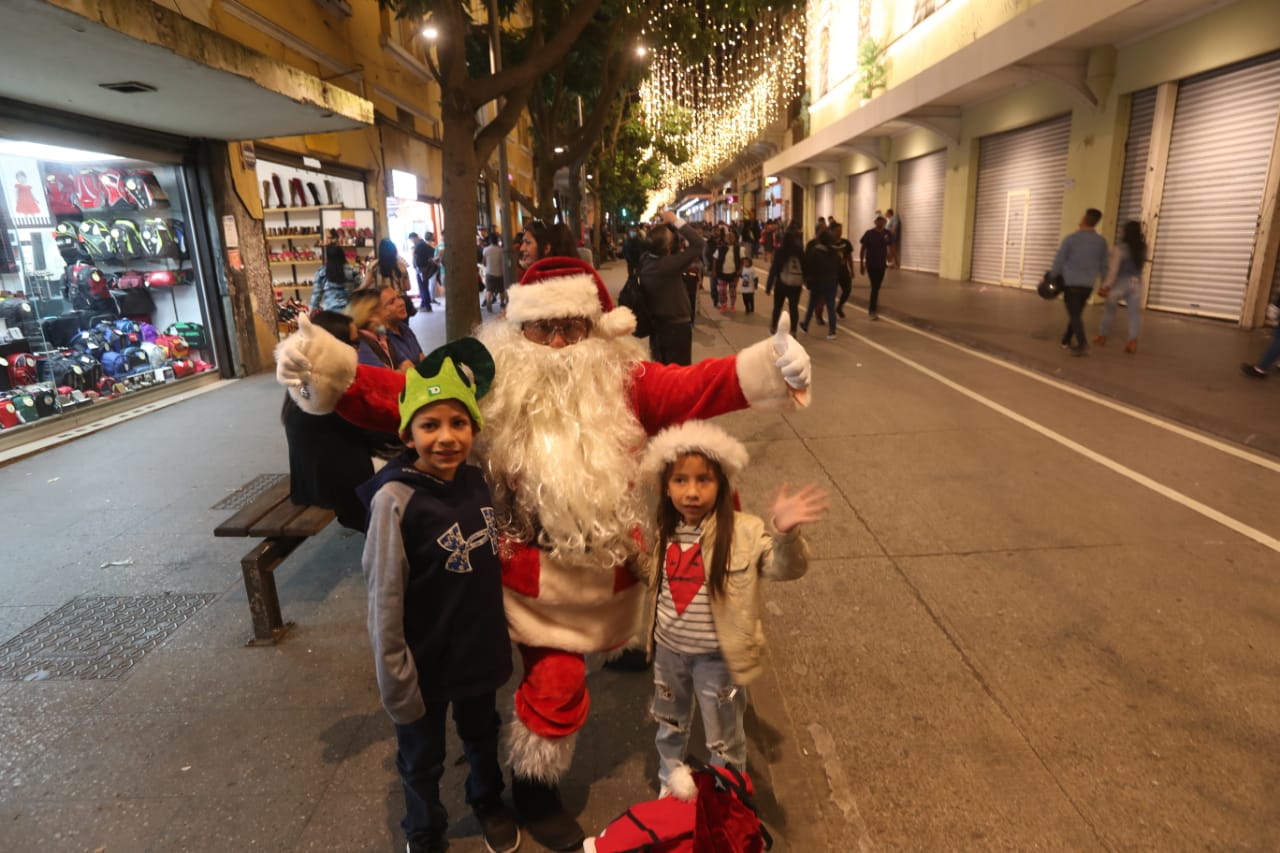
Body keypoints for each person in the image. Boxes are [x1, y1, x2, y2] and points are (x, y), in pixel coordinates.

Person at [275, 256, 812, 851]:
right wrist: (332, 372)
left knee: (634, 644)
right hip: (526, 578)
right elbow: (403, 396)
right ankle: (533, 788)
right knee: (554, 685)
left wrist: (767, 365)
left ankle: (619, 671)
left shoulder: (624, 380)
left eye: (571, 328)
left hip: (614, 575)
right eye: (541, 329)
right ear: (516, 332)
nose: (557, 343)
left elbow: (698, 384)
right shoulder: (495, 383)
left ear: (595, 329)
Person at [358, 338, 520, 853]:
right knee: (421, 756)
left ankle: (487, 799)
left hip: (476, 650)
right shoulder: (395, 500)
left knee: (481, 733)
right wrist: (394, 676)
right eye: (430, 425)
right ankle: (424, 829)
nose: (446, 438)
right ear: (408, 434)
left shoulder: (477, 483)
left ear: (474, 428)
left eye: (459, 423)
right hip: (423, 663)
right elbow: (384, 597)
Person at [637, 420, 828, 795]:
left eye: (703, 480)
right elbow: (656, 578)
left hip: (717, 661)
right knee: (669, 724)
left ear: (722, 483)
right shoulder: (666, 529)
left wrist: (785, 535)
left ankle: (727, 795)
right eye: (680, 480)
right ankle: (669, 782)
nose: (691, 492)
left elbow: (785, 568)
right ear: (666, 486)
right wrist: (625, 551)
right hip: (668, 655)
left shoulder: (744, 531)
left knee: (723, 735)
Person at [280, 310, 377, 532]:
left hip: (310, 483)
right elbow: (373, 430)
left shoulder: (307, 377)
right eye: (352, 343)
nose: (358, 349)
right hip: (334, 490)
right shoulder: (328, 386)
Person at [640, 210, 707, 365]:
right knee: (679, 374)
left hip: (656, 327)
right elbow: (698, 243)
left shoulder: (645, 261)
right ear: (667, 248)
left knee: (662, 371)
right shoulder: (668, 266)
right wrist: (676, 221)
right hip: (676, 328)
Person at [1051, 208, 1110, 355]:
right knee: (1075, 313)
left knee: (1075, 315)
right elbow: (1104, 265)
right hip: (1087, 286)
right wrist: (1104, 284)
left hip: (1071, 284)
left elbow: (1059, 260)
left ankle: (1083, 344)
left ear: (1084, 219)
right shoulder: (1101, 242)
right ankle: (1066, 339)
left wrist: (1052, 277)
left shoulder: (1071, 239)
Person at [1093, 221, 1147, 354]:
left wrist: (1105, 286)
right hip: (1137, 283)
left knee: (1109, 310)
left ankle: (1102, 336)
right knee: (1134, 314)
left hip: (1122, 283)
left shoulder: (1120, 248)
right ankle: (1132, 341)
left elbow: (1113, 270)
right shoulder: (1143, 247)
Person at [800, 229, 841, 340]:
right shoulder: (834, 252)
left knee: (812, 304)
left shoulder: (815, 251)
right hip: (831, 281)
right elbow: (838, 266)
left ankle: (805, 326)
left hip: (818, 282)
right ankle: (832, 331)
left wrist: (807, 280)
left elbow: (810, 266)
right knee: (831, 307)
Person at [767, 226, 806, 336]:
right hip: (796, 285)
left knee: (777, 307)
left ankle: (774, 327)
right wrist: (807, 281)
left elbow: (774, 269)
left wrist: (769, 286)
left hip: (781, 284)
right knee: (794, 308)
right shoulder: (799, 251)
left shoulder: (780, 251)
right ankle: (793, 330)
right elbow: (805, 266)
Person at [377, 284, 424, 370]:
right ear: (378, 311)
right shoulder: (380, 336)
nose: (401, 303)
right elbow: (406, 368)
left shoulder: (404, 328)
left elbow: (422, 358)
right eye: (391, 302)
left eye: (398, 297)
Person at [365, 238, 415, 318]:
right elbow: (408, 287)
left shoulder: (373, 266)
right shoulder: (401, 266)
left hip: (383, 302)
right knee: (402, 327)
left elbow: (366, 284)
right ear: (394, 251)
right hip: (399, 300)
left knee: (385, 327)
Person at [859, 215, 892, 321]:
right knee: (874, 287)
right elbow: (863, 249)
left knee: (877, 287)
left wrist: (894, 259)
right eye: (879, 221)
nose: (880, 223)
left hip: (882, 265)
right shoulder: (869, 234)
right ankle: (872, 310)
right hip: (871, 264)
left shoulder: (887, 234)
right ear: (875, 222)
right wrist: (861, 264)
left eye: (882, 221)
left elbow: (891, 246)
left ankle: (873, 308)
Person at [310, 244, 359, 312]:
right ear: (342, 255)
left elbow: (316, 295)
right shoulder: (352, 270)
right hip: (349, 309)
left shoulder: (321, 271)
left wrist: (311, 310)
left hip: (329, 311)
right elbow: (360, 288)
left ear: (328, 256)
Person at [410, 232, 439, 313]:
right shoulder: (422, 244)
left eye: (411, 239)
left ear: (414, 237)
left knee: (423, 287)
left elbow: (415, 255)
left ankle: (426, 305)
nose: (412, 241)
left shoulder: (420, 244)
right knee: (423, 287)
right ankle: (424, 304)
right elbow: (433, 251)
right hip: (422, 268)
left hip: (422, 269)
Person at [715, 228, 741, 312]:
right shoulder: (720, 248)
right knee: (722, 290)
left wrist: (740, 269)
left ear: (735, 238)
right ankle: (723, 304)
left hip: (734, 273)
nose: (729, 239)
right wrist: (714, 270)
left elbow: (742, 259)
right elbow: (715, 259)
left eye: (731, 237)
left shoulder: (738, 248)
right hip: (722, 273)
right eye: (728, 237)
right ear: (725, 238)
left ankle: (732, 305)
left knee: (732, 291)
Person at [482, 233, 507, 312]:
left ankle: (489, 301)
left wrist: (487, 264)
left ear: (490, 241)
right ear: (497, 241)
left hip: (489, 272)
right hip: (500, 273)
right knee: (501, 290)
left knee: (489, 289)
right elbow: (503, 261)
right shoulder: (501, 250)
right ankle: (502, 303)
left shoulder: (486, 249)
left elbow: (484, 262)